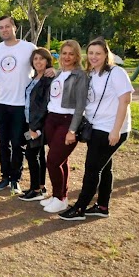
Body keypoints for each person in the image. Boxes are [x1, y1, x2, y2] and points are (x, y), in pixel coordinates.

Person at [60, 38, 134, 221]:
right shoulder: (92, 73)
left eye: (98, 53)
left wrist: (116, 131)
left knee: (92, 169)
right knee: (104, 168)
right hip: (95, 126)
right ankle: (102, 206)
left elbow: (125, 101)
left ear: (106, 54)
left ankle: (79, 208)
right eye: (91, 53)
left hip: (110, 129)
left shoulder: (117, 73)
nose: (94, 57)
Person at [38, 40, 88, 213]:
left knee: (52, 161)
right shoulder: (59, 74)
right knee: (61, 160)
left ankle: (60, 198)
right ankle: (59, 195)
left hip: (67, 120)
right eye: (64, 53)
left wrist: (72, 130)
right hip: (52, 119)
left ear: (76, 56)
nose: (67, 57)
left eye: (71, 54)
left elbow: (81, 105)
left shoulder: (80, 75)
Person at [0, 16, 37, 194]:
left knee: (18, 143)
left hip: (21, 105)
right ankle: (5, 176)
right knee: (3, 143)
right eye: (1, 27)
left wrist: (48, 70)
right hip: (1, 102)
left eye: (7, 26)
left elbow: (41, 62)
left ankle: (16, 179)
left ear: (15, 27)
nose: (4, 30)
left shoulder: (28, 48)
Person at [19, 48, 54, 201]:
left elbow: (44, 105)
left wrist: (36, 128)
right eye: (35, 59)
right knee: (38, 154)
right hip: (29, 121)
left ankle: (36, 190)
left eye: (41, 59)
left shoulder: (48, 79)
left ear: (47, 61)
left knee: (31, 154)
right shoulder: (35, 78)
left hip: (38, 124)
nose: (38, 62)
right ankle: (40, 186)